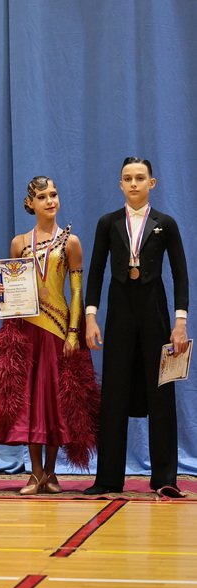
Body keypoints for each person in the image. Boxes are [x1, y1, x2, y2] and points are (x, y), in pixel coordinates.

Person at [0, 176, 100, 494]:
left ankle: (51, 471)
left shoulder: (70, 242)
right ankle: (35, 472)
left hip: (59, 328)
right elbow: (11, 285)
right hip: (26, 330)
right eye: (43, 196)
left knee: (55, 400)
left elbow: (77, 292)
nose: (50, 201)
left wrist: (74, 332)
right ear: (30, 204)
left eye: (54, 194)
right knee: (29, 400)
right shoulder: (19, 243)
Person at [84, 157, 189, 496]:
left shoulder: (165, 224)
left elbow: (181, 274)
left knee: (161, 390)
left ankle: (165, 478)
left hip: (155, 311)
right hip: (119, 312)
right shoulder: (108, 223)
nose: (133, 183)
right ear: (120, 184)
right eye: (127, 178)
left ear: (151, 183)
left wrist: (180, 322)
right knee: (114, 391)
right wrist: (90, 317)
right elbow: (96, 271)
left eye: (140, 178)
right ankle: (108, 478)